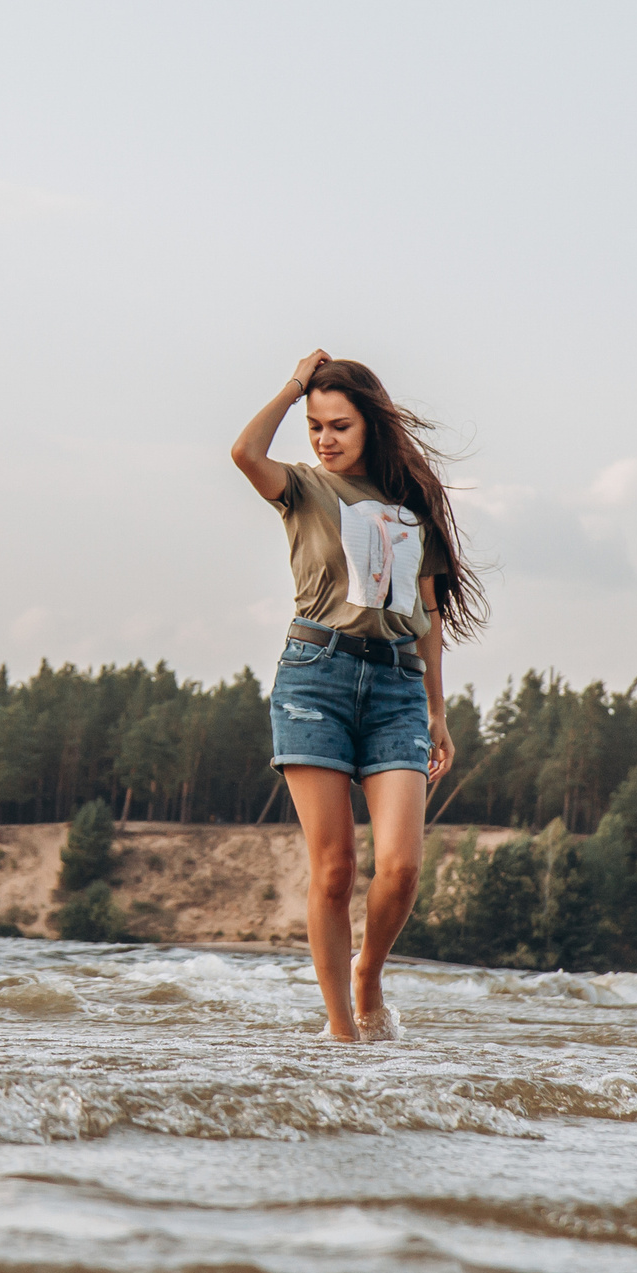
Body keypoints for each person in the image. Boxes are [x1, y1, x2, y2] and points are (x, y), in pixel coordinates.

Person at [229, 350, 484, 1041]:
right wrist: (294, 385)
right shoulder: (303, 488)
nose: (324, 438)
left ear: (370, 423)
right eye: (315, 425)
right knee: (336, 868)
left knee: (400, 867)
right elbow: (244, 453)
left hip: (397, 690)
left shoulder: (412, 505)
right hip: (316, 678)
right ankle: (343, 1034)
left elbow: (429, 617)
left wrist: (437, 712)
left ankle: (368, 971)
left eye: (339, 425)